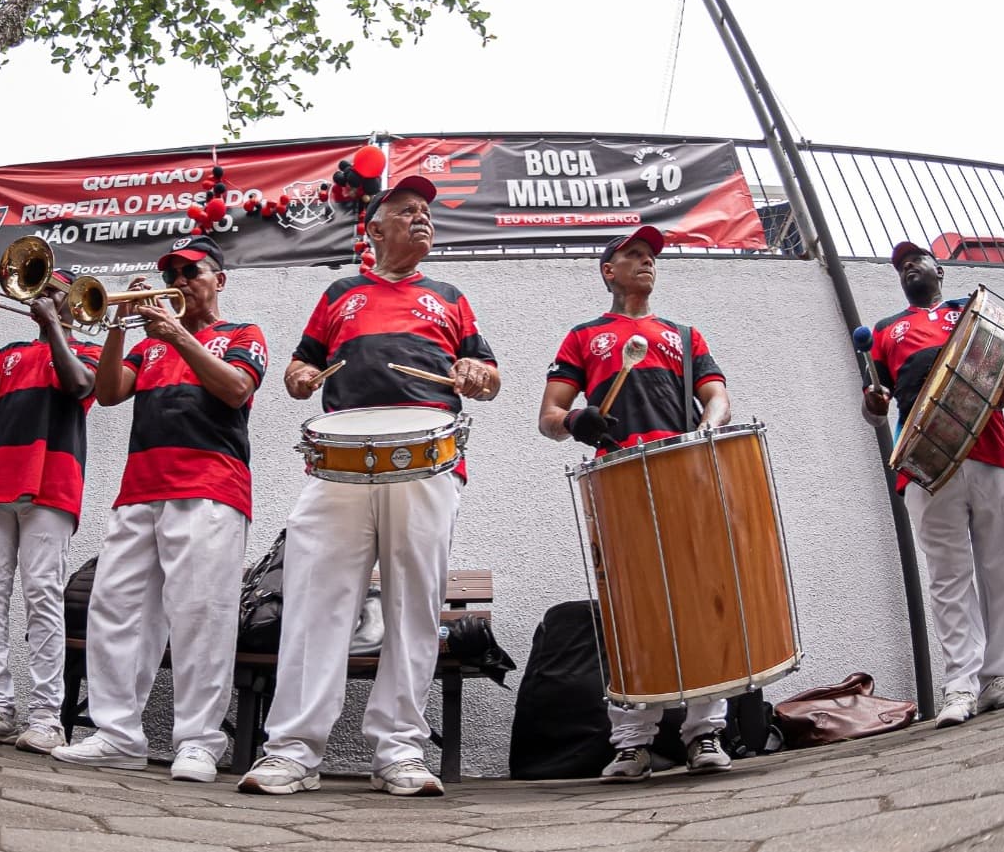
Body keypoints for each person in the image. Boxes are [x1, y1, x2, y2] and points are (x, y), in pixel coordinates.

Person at [238, 175, 500, 798]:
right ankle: (293, 749)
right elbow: (301, 366)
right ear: (375, 230)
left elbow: (489, 378)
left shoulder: (450, 297)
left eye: (426, 213)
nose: (421, 219)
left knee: (414, 606)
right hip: (340, 461)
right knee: (315, 600)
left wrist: (474, 374)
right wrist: (301, 377)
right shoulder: (340, 293)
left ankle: (401, 749)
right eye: (406, 211)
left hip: (428, 458)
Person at [51, 235, 267, 782]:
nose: (181, 279)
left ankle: (198, 741)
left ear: (219, 279)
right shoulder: (146, 346)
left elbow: (237, 389)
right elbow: (106, 392)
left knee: (201, 616)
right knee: (115, 611)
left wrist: (176, 334)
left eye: (191, 270)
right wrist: (121, 322)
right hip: (139, 491)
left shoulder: (241, 333)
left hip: (211, 487)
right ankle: (116, 734)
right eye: (173, 271)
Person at [537, 225, 734, 784]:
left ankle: (706, 734)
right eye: (634, 255)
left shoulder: (684, 334)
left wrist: (708, 427)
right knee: (630, 611)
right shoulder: (584, 337)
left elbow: (716, 394)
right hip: (617, 481)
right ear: (609, 271)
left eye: (652, 256)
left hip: (683, 474)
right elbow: (549, 417)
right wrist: (578, 421)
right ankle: (631, 745)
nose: (647, 262)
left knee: (701, 602)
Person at [862, 241, 1004, 728]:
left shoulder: (971, 311)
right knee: (946, 575)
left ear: (939, 269)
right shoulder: (883, 331)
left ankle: (1001, 677)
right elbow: (875, 406)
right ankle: (961, 684)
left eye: (917, 259)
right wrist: (874, 403)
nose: (909, 267)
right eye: (901, 266)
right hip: (923, 463)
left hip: (991, 450)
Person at [0, 268, 100, 754]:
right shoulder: (10, 353)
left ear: (75, 303)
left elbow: (79, 387)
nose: (49, 296)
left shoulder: (87, 351)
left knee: (43, 599)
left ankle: (46, 716)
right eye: (46, 289)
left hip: (51, 484)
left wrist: (55, 326)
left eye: (59, 292)